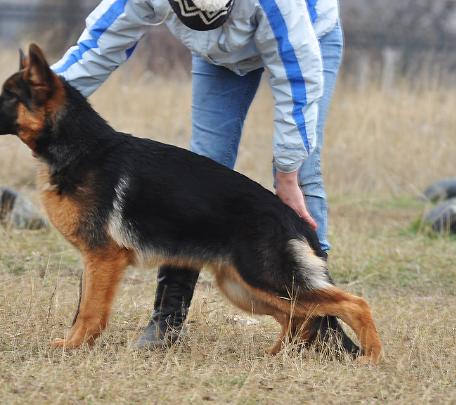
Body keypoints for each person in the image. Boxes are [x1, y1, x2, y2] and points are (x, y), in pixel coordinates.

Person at [51, 0, 343, 348]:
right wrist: (42, 97)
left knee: (304, 173)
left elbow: (297, 80)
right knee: (201, 166)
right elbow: (100, 42)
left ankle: (321, 321)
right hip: (217, 57)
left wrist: (287, 172)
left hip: (307, 37)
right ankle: (168, 320)